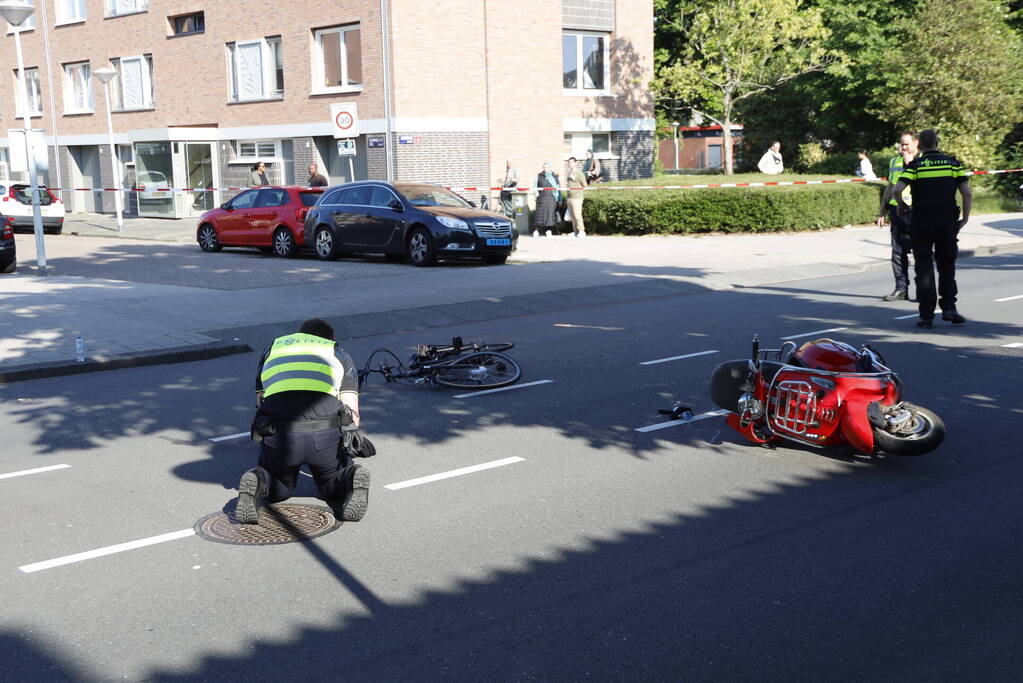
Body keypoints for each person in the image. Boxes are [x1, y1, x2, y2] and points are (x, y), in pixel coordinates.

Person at [236, 318, 371, 524]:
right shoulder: (337, 352)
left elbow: (260, 404)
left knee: (278, 489)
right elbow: (353, 414)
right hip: (324, 433)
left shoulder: (272, 349)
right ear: (328, 339)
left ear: (301, 334)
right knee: (331, 487)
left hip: (281, 435)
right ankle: (351, 477)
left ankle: (259, 479)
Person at [891, 129, 972, 329]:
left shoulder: (916, 166)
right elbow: (967, 194)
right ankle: (949, 308)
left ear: (920, 145)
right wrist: (965, 219)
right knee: (947, 266)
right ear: (937, 142)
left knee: (924, 268)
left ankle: (926, 316)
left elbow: (896, 189)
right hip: (946, 223)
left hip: (921, 223)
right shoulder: (953, 164)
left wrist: (902, 206)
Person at [876, 132, 920, 301]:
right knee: (897, 252)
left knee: (919, 252)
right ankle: (901, 289)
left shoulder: (923, 161)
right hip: (897, 211)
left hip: (915, 211)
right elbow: (891, 185)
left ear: (916, 143)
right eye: (901, 144)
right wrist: (882, 209)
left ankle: (922, 289)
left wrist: (911, 165)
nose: (903, 148)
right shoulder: (894, 161)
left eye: (906, 144)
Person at [531, 162, 561, 237]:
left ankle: (548, 230)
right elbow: (535, 186)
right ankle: (536, 230)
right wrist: (537, 195)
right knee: (539, 215)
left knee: (550, 215)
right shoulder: (539, 176)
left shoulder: (554, 177)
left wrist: (559, 199)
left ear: (550, 168)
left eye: (547, 167)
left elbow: (558, 188)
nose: (545, 169)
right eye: (544, 167)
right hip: (541, 198)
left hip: (551, 199)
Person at [565, 156, 588, 237]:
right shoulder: (569, 173)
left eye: (571, 162)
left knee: (577, 214)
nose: (570, 164)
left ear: (575, 163)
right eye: (569, 163)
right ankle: (575, 231)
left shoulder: (579, 173)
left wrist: (578, 190)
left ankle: (582, 231)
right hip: (569, 197)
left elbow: (585, 185)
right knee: (572, 216)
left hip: (577, 197)